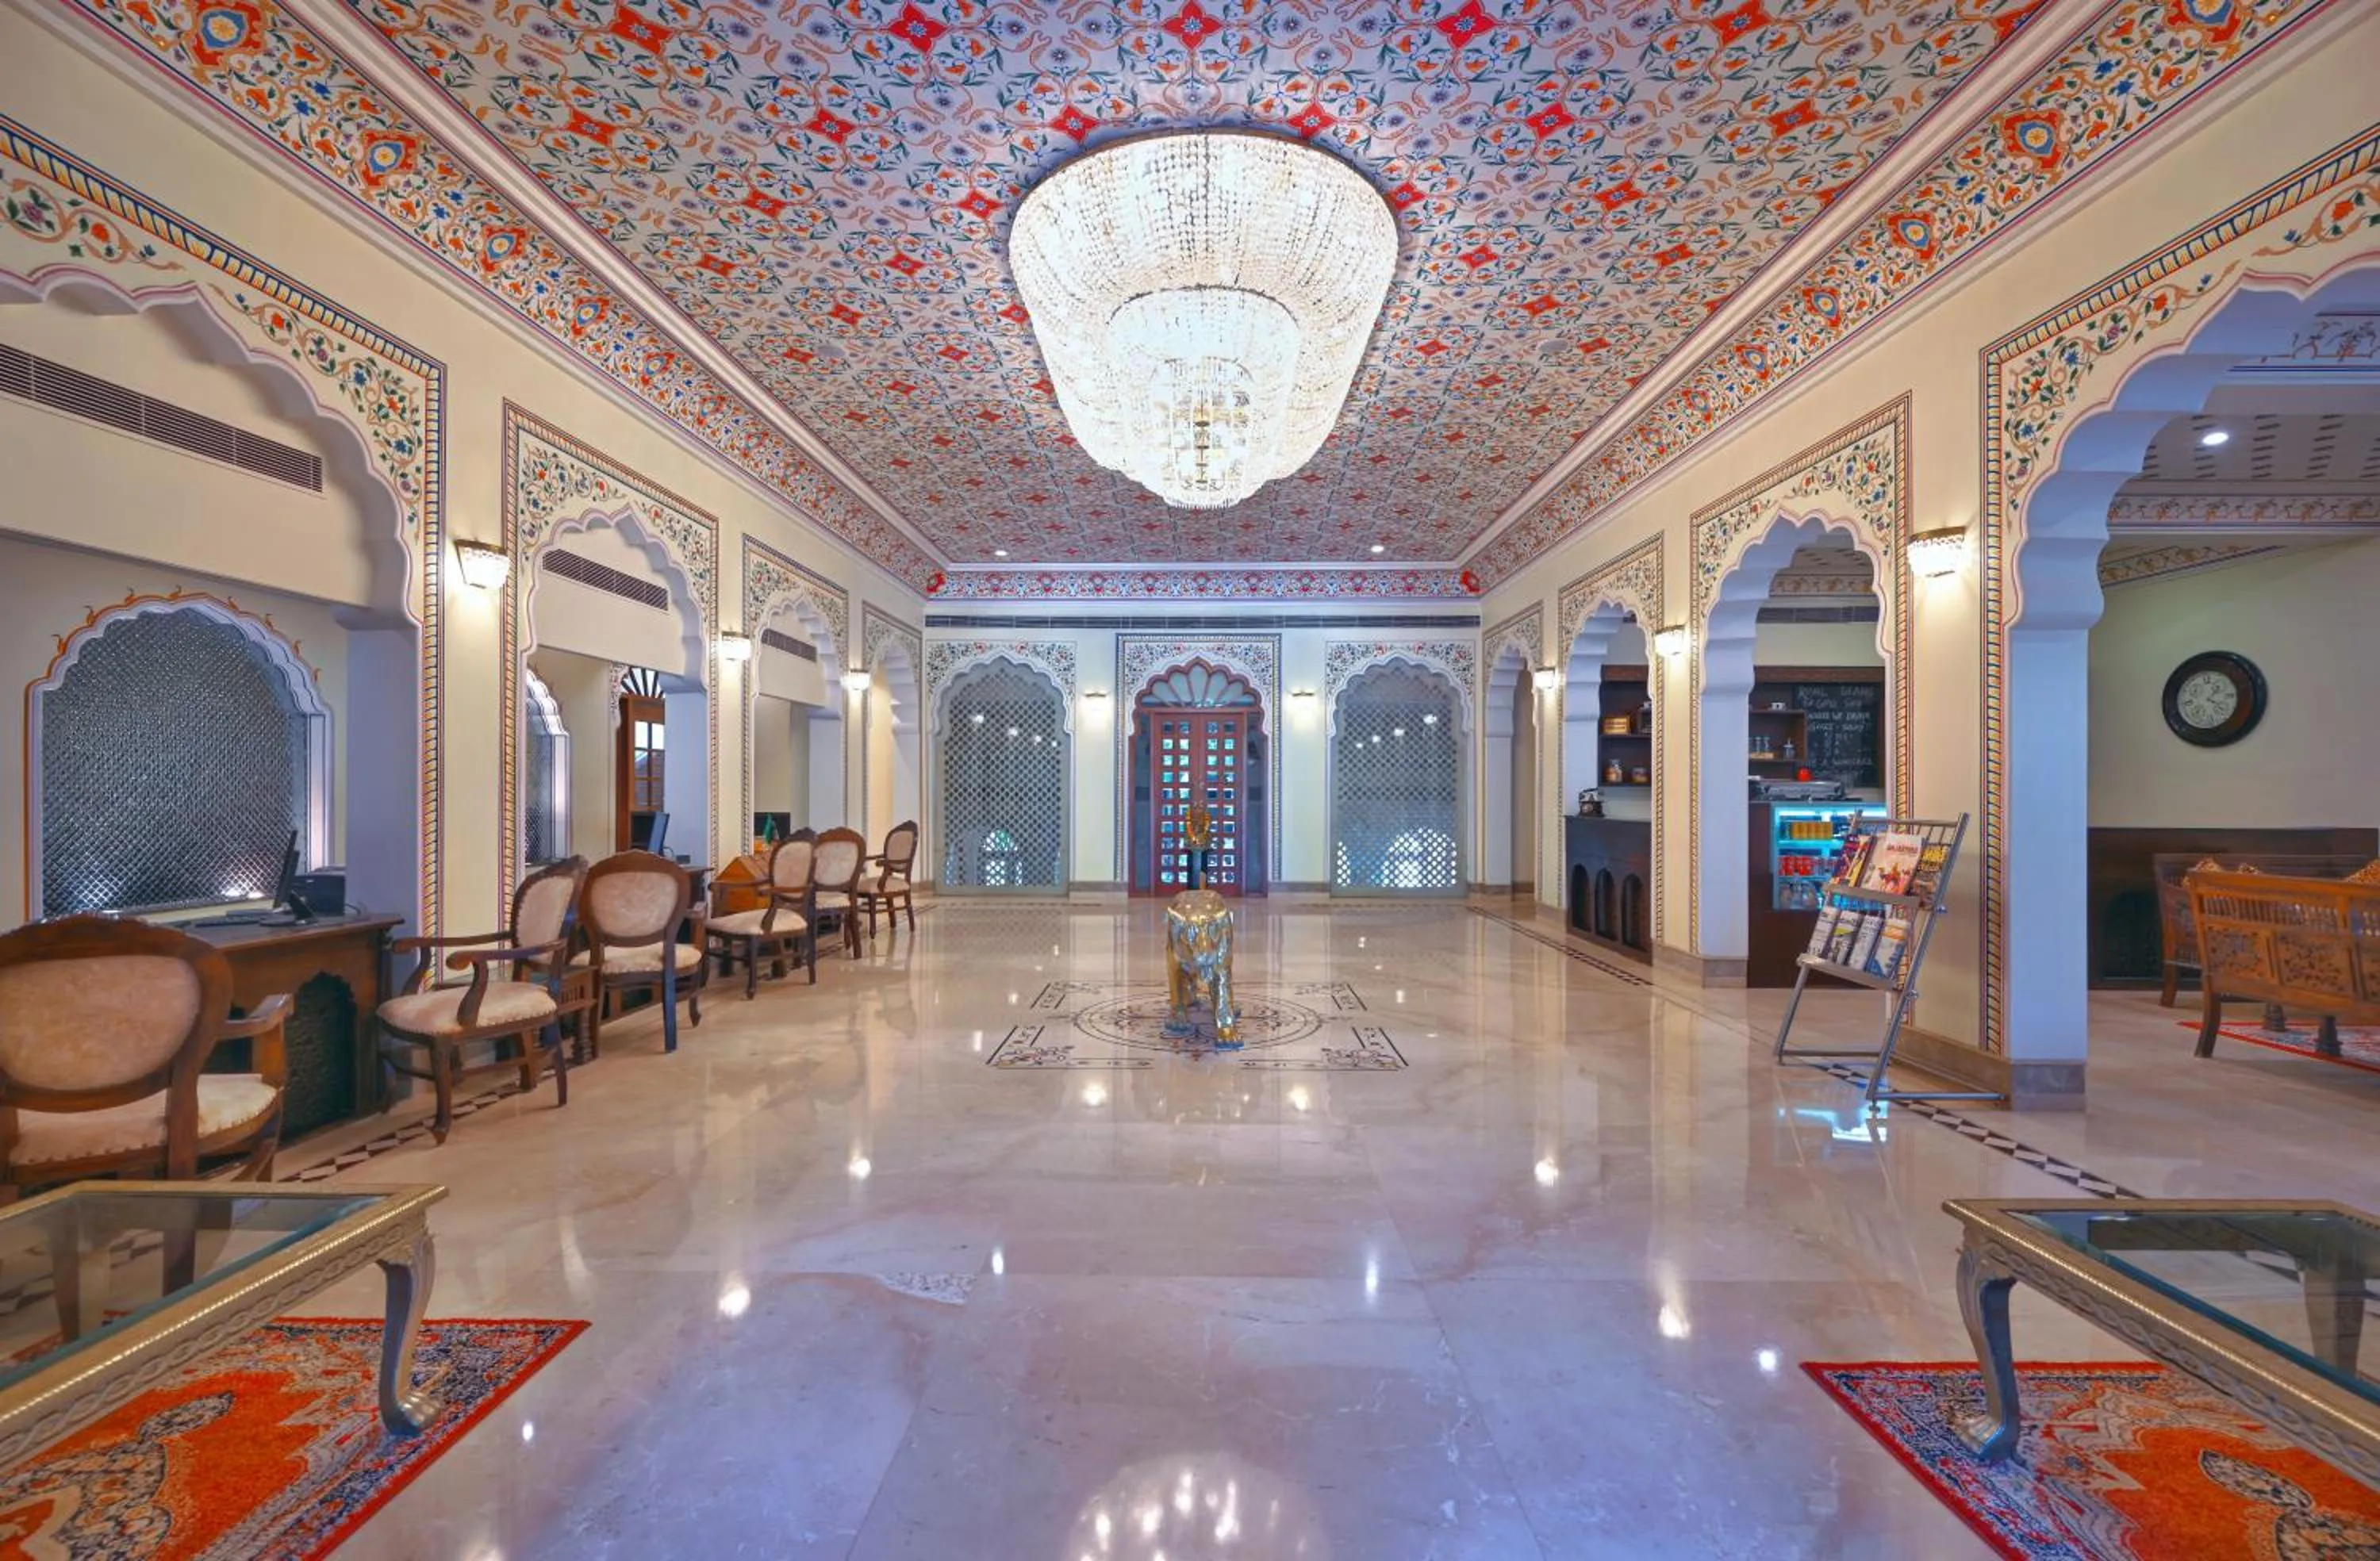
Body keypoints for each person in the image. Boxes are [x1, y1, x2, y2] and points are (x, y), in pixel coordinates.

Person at [1184, 803, 1215, 890]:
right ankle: (1191, 888)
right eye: (1196, 809)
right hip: (1192, 848)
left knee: (1203, 868)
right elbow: (1188, 835)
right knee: (1191, 868)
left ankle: (1203, 888)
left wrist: (1203, 839)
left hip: (1204, 848)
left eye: (1200, 809)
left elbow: (1208, 836)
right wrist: (1193, 839)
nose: (1198, 811)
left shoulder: (1206, 823)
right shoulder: (1189, 823)